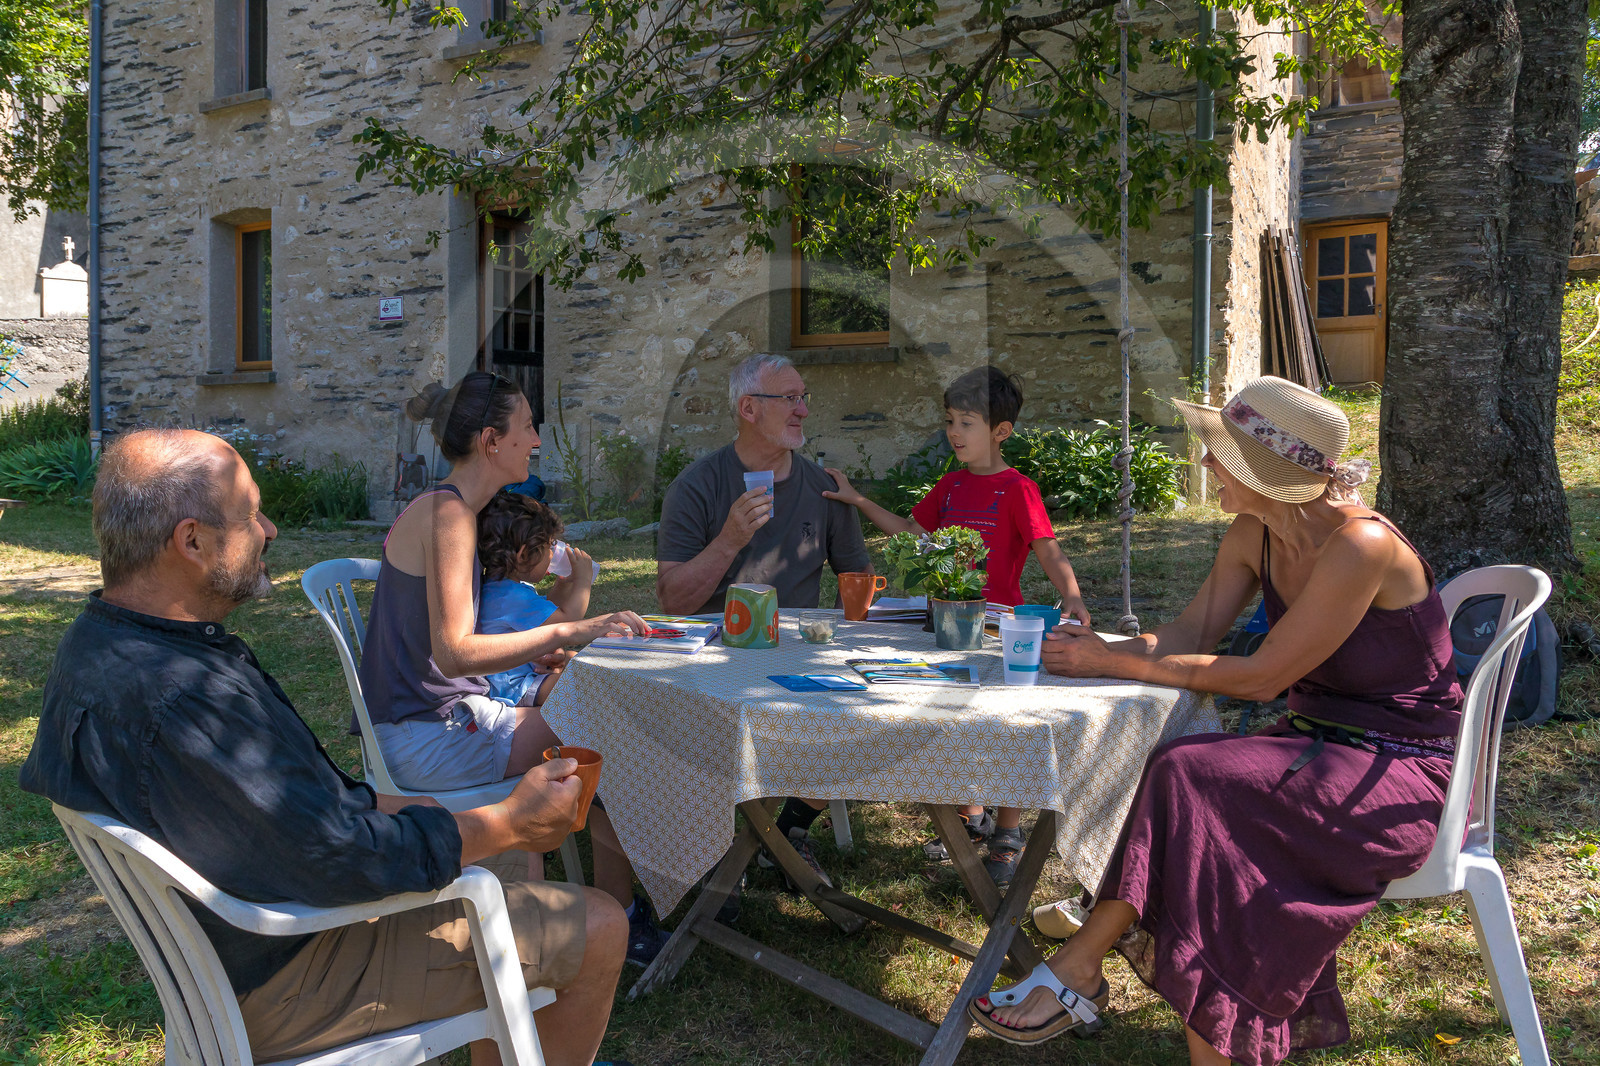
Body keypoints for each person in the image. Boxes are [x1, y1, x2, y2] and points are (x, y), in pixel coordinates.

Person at [18, 428, 631, 1066]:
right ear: (192, 541)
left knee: (499, 863)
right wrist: (510, 820)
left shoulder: (98, 645)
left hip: (239, 942)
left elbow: (307, 813)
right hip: (287, 973)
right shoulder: (189, 697)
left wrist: (460, 822)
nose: (271, 529)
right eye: (251, 513)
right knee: (599, 924)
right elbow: (345, 857)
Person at [967, 377, 1462, 1066]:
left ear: (1269, 473)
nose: (1204, 464)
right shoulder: (1253, 532)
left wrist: (1120, 668)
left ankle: (1082, 965)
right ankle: (1089, 970)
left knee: (1191, 772)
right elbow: (1186, 631)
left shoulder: (1362, 544)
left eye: (1219, 454)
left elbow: (1264, 677)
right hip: (1313, 749)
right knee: (1195, 783)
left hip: (1394, 774)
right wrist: (1097, 650)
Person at [358, 372, 668, 967]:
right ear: (489, 440)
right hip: (427, 736)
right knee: (609, 736)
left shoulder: (446, 511)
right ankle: (617, 918)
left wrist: (535, 649)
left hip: (440, 722)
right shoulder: (447, 515)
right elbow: (453, 652)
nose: (536, 440)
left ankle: (589, 903)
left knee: (597, 724)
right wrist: (568, 630)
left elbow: (449, 646)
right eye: (527, 425)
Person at [823, 364, 1091, 884]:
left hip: (997, 630)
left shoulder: (1018, 489)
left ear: (1000, 432)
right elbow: (911, 531)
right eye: (950, 420)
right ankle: (970, 816)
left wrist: (1073, 596)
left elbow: (1047, 549)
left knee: (1006, 724)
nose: (953, 432)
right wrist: (858, 500)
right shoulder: (949, 486)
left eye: (966, 422)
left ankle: (1008, 835)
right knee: (949, 713)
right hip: (943, 624)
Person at [656, 352, 874, 881]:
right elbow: (673, 601)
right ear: (749, 408)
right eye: (790, 398)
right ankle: (722, 851)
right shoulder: (699, 484)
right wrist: (729, 539)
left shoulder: (823, 486)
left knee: (863, 713)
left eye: (805, 398)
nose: (803, 410)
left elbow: (857, 590)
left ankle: (785, 834)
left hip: (798, 658)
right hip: (713, 662)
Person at [476, 489, 596, 709]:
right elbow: (567, 622)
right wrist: (583, 581)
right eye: (550, 546)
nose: (553, 553)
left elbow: (547, 616)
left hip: (514, 677)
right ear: (523, 555)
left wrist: (562, 584)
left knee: (576, 659)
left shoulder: (500, 590)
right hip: (516, 686)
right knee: (583, 684)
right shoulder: (514, 597)